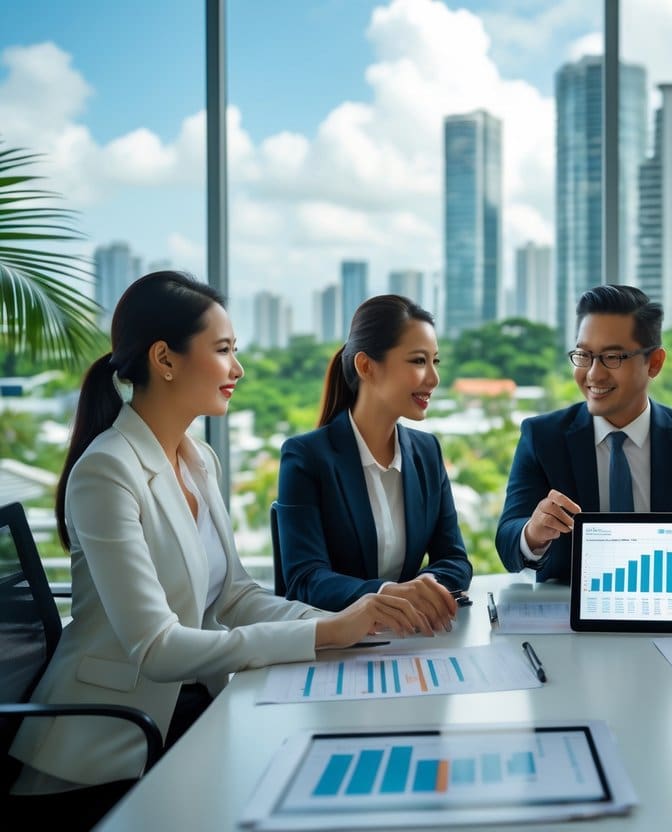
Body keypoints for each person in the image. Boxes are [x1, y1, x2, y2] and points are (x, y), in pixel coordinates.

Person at [8, 272, 424, 826]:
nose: (238, 369)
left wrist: (353, 619)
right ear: (166, 359)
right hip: (106, 748)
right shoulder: (107, 471)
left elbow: (234, 596)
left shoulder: (198, 458)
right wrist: (325, 633)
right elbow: (156, 647)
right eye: (224, 350)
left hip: (188, 713)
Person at [495, 284, 672, 582]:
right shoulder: (543, 436)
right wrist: (533, 533)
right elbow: (508, 542)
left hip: (669, 610)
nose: (594, 374)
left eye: (613, 357)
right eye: (584, 356)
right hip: (570, 616)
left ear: (655, 363)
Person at [276, 294, 470, 624]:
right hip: (337, 643)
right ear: (366, 366)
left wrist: (426, 587)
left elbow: (454, 558)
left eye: (435, 361)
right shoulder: (306, 457)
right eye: (418, 361)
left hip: (411, 639)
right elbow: (304, 579)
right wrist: (387, 596)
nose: (434, 379)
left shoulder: (427, 452)